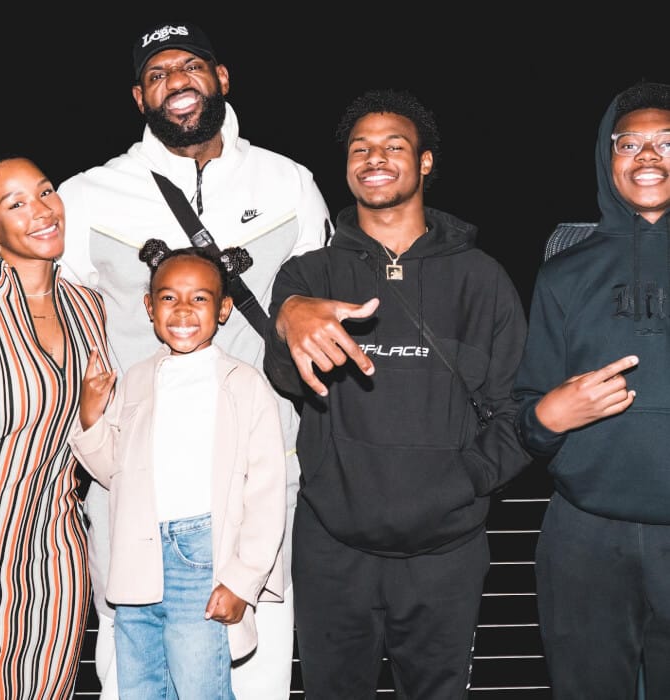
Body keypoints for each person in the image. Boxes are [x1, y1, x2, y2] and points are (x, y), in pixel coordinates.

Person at [56, 19, 332, 699]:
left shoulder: (288, 182)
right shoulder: (89, 196)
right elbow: (52, 318)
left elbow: (321, 299)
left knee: (257, 662)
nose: (175, 82)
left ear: (221, 78)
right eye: (156, 74)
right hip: (133, 484)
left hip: (260, 475)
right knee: (133, 669)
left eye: (190, 67)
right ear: (138, 97)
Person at [263, 88, 533, 699]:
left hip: (446, 552)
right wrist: (288, 318)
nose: (375, 158)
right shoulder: (309, 275)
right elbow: (284, 378)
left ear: (425, 161)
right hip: (332, 549)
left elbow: (514, 411)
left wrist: (462, 483)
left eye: (394, 146)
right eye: (360, 148)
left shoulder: (482, 278)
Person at [68, 240, 286, 699]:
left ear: (223, 309)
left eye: (199, 298)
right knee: (140, 690)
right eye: (168, 297)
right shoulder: (136, 379)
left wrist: (242, 579)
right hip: (136, 561)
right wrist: (91, 418)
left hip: (203, 557)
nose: (183, 309)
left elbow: (266, 493)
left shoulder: (244, 384)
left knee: (199, 688)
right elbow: (115, 473)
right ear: (149, 307)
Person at [512, 80, 670, 699]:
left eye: (667, 142)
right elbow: (527, 414)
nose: (648, 155)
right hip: (585, 538)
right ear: (609, 158)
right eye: (630, 143)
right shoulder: (562, 272)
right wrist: (550, 416)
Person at [0, 156, 111, 698]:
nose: (43, 210)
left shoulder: (89, 308)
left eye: (46, 191)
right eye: (16, 204)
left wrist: (91, 418)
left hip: (58, 556)